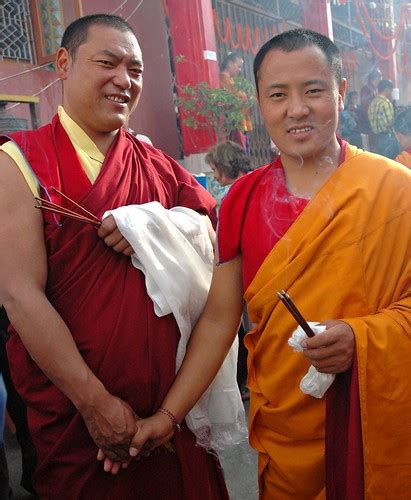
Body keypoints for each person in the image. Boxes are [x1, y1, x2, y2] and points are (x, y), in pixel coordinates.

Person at [112, 29, 411, 499]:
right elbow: (218, 320)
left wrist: (362, 338)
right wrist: (169, 416)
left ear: (340, 92)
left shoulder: (396, 190)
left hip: (379, 421)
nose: (297, 109)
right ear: (260, 103)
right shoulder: (243, 201)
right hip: (287, 430)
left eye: (313, 90)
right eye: (278, 95)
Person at [0, 14, 229, 499]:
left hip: (173, 415)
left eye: (136, 70)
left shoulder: (155, 163)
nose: (123, 80)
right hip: (79, 421)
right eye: (107, 62)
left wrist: (154, 227)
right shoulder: (20, 162)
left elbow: (214, 240)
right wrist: (95, 403)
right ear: (64, 62)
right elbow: (20, 295)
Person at [220, 52, 253, 153]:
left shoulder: (232, 81)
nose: (240, 70)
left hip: (241, 121)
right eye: (238, 66)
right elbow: (232, 101)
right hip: (235, 123)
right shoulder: (223, 80)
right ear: (229, 63)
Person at [368, 79, 399, 159]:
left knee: (382, 163)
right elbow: (389, 123)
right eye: (391, 90)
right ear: (386, 89)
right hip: (387, 138)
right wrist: (397, 119)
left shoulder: (372, 103)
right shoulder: (386, 103)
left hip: (376, 138)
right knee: (392, 163)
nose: (391, 93)